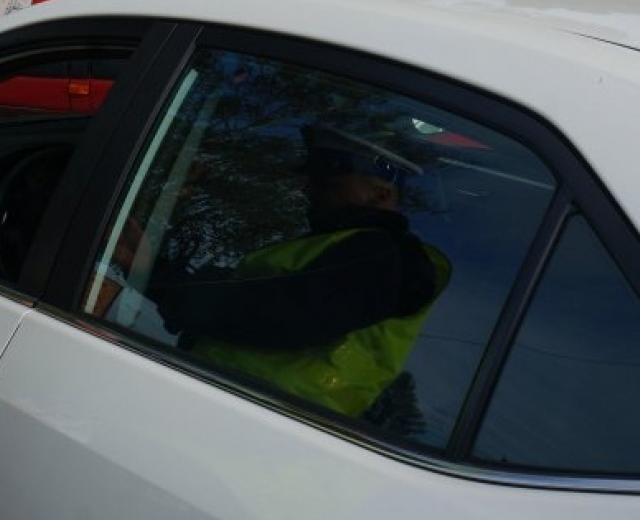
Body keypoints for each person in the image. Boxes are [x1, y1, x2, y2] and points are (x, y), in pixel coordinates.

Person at [150, 125, 451, 420]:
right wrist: (156, 272)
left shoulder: (377, 256)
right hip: (246, 406)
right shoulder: (343, 248)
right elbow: (250, 292)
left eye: (328, 183)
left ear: (381, 195)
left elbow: (275, 315)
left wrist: (166, 284)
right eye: (313, 180)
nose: (310, 190)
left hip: (256, 412)